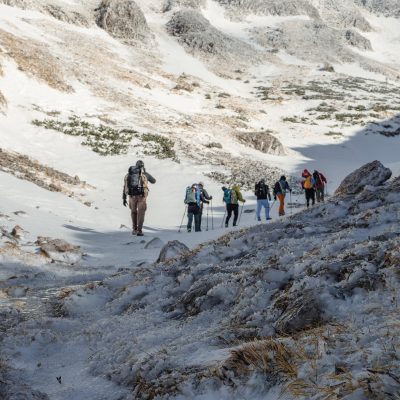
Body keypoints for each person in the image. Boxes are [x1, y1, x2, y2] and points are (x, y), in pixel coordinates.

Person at [122, 160, 156, 236]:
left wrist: (124, 198)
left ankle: (134, 229)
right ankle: (139, 231)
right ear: (142, 166)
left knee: (133, 212)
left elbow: (125, 187)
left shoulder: (128, 175)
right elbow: (154, 181)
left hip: (131, 196)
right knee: (141, 213)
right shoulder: (145, 174)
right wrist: (146, 173)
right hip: (142, 196)